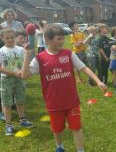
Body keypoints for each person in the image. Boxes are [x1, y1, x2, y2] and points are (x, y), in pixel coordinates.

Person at [22, 24, 107, 152]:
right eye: (59, 39)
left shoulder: (68, 54)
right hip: (54, 102)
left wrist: (98, 81)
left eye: (63, 39)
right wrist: (28, 55)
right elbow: (25, 75)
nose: (62, 42)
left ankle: (80, 150)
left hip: (71, 101)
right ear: (48, 40)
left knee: (76, 127)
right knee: (57, 129)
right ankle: (60, 146)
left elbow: (83, 67)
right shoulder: (40, 58)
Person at [0, 28, 34, 136]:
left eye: (12, 37)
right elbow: (1, 68)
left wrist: (28, 51)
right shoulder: (1, 51)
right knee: (7, 103)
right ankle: (8, 125)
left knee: (20, 100)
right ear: (2, 38)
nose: (10, 39)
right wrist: (14, 73)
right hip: (6, 79)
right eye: (7, 38)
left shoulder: (20, 49)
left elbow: (28, 59)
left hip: (19, 79)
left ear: (15, 37)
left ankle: (23, 120)